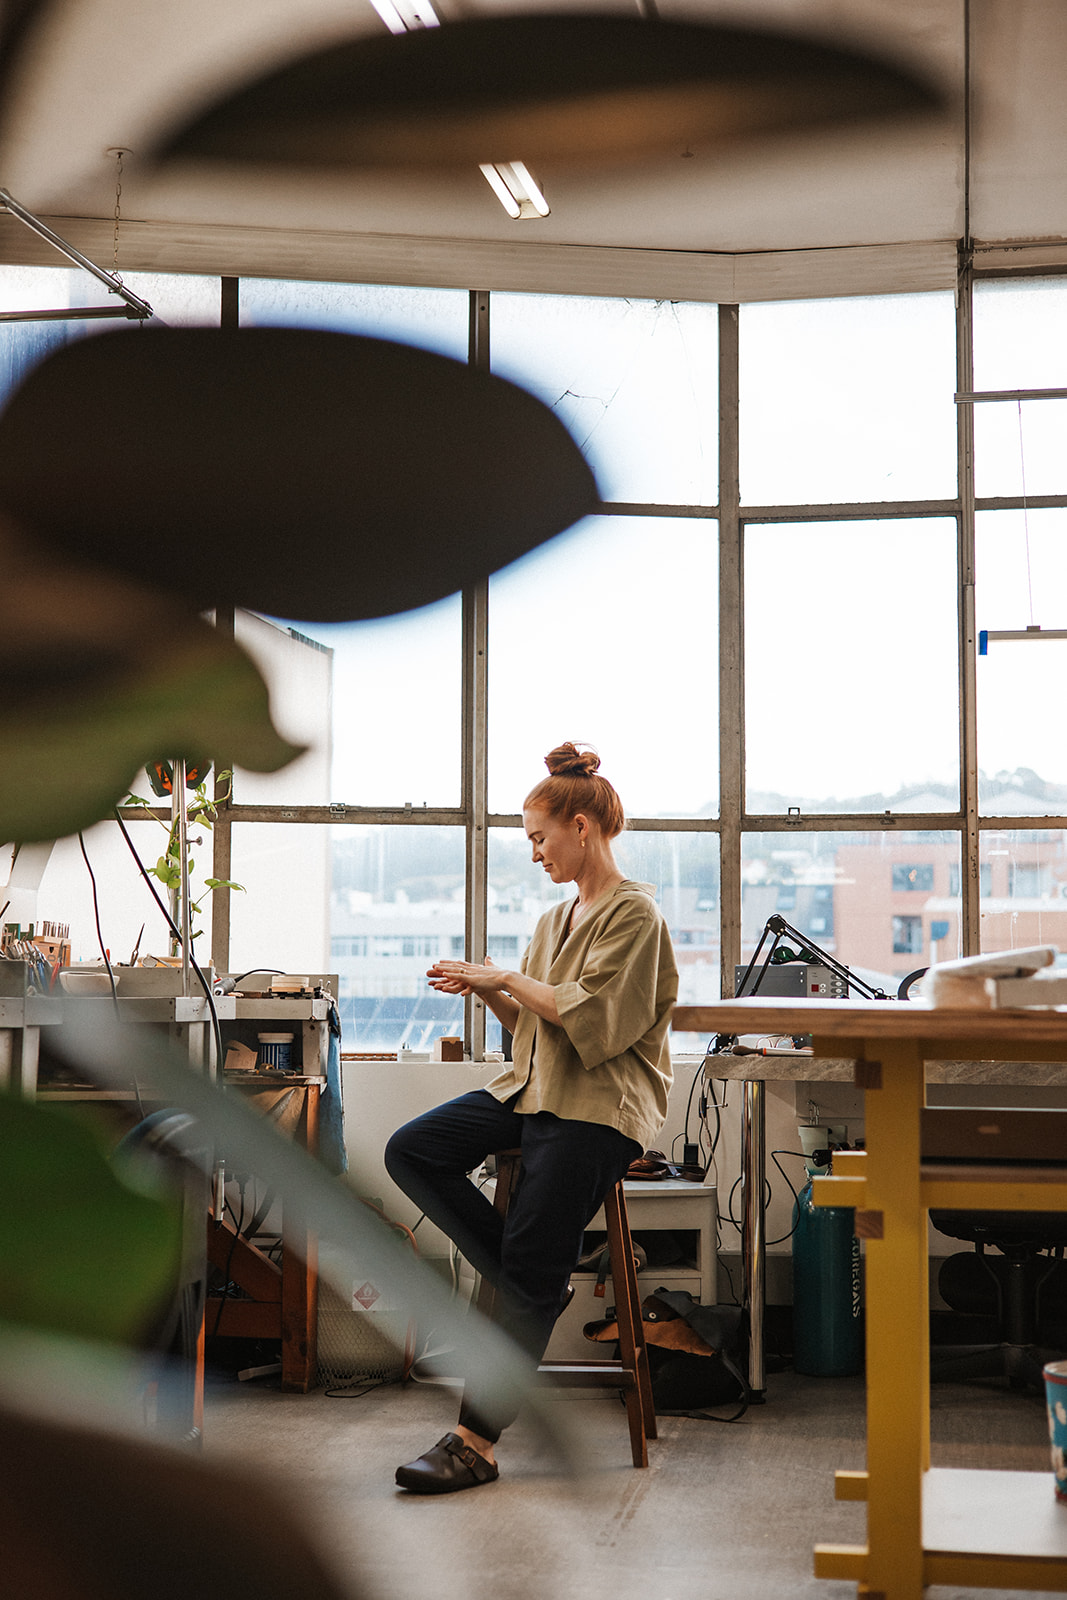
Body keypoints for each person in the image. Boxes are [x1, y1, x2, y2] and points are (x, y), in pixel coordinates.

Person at [385, 742, 678, 1494]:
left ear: (582, 827)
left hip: (596, 1106)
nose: (535, 852)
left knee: (527, 1274)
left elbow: (594, 1026)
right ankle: (528, 1276)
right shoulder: (555, 920)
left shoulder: (634, 916)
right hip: (535, 1088)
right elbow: (534, 1031)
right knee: (413, 1150)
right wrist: (484, 989)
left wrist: (503, 974)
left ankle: (473, 1442)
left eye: (539, 837)